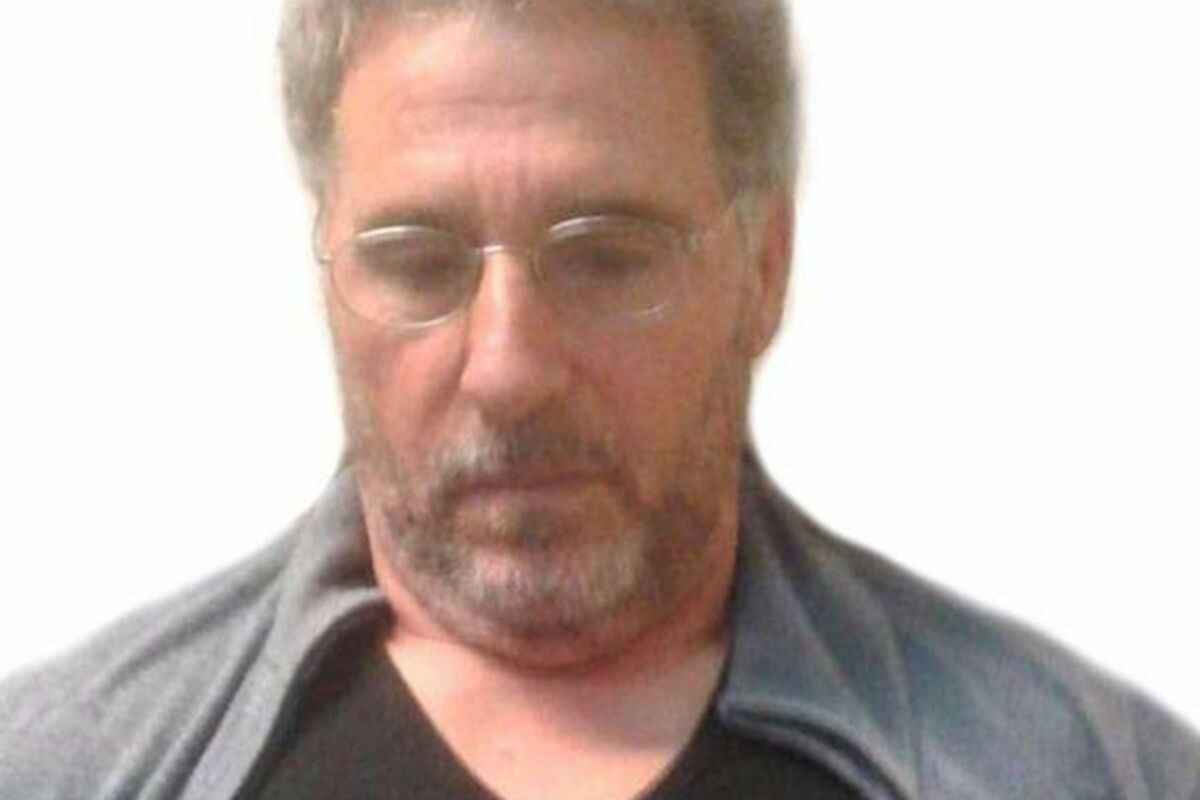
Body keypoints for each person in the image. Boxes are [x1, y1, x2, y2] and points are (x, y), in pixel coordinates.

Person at [0, 0, 1196, 798]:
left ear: (765, 268)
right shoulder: (62, 768)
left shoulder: (1086, 771)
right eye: (418, 260)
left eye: (607, 256)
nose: (508, 366)